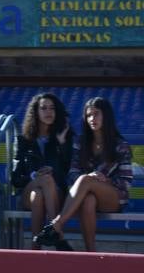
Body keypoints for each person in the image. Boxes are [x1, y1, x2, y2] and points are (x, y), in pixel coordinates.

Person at [36, 96, 132, 252]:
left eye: (96, 114)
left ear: (106, 116)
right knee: (88, 199)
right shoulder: (80, 142)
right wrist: (90, 179)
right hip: (87, 194)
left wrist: (104, 180)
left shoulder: (120, 145)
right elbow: (72, 173)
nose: (92, 118)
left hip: (114, 197)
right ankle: (90, 253)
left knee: (85, 180)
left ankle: (56, 226)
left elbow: (126, 182)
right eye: (88, 115)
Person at [11, 93, 73, 249]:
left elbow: (69, 172)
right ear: (35, 112)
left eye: (52, 108)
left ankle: (35, 250)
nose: (48, 112)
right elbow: (16, 177)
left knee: (38, 195)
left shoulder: (64, 137)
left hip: (55, 193)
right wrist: (34, 175)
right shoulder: (23, 140)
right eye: (43, 108)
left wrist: (62, 144)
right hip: (28, 188)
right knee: (43, 180)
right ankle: (57, 235)